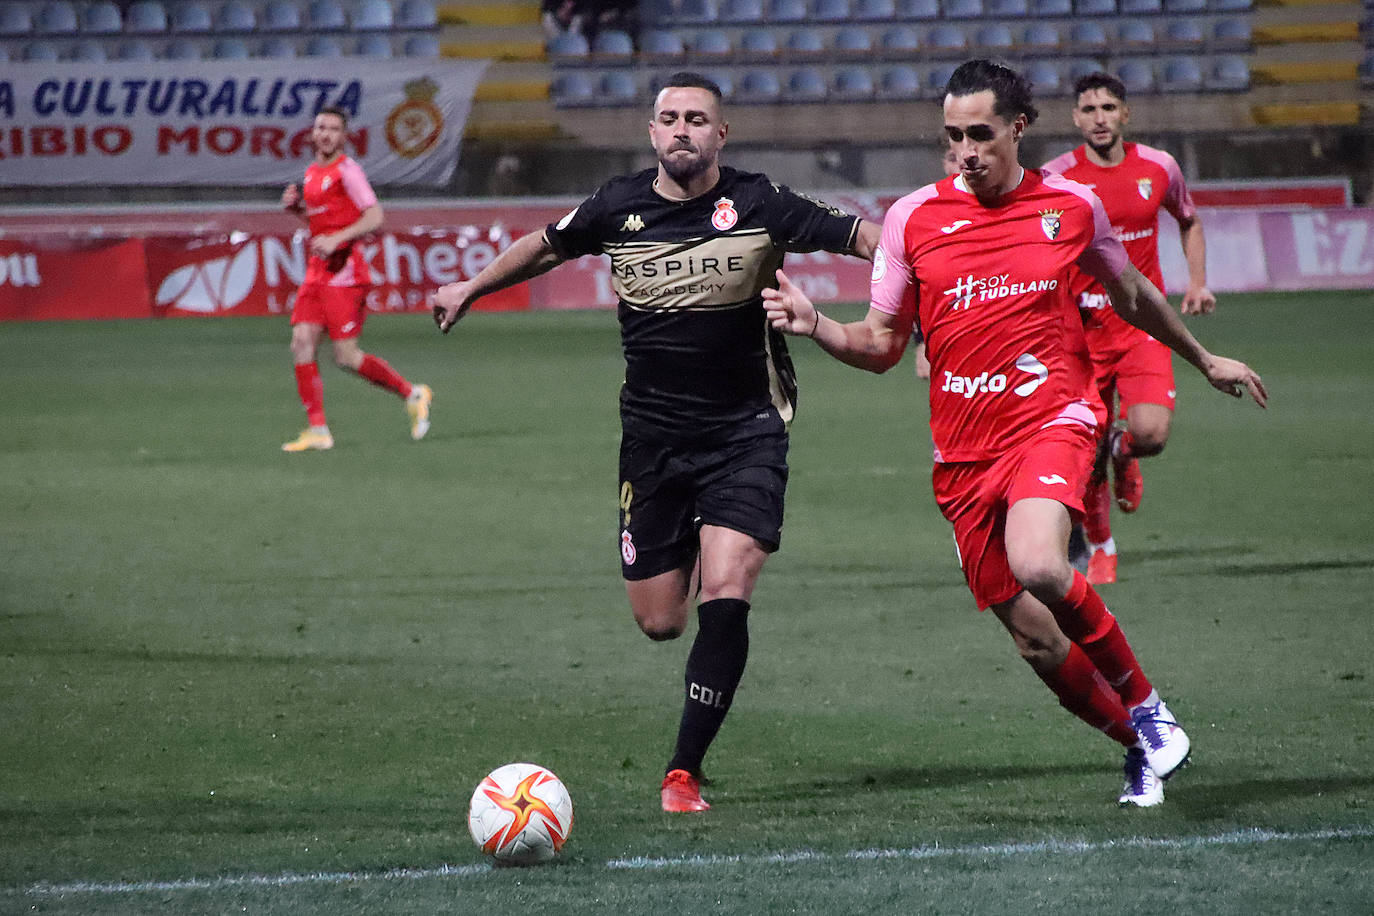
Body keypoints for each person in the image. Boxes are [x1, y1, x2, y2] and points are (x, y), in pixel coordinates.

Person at [762, 59, 1266, 807]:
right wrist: (820, 328)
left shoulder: (1070, 208)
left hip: (1053, 418)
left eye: (980, 133)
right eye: (953, 136)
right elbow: (881, 345)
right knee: (1035, 639)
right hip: (963, 456)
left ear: (1018, 128)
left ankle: (1152, 712)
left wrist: (1202, 358)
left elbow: (1129, 292)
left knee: (1039, 562)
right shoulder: (913, 220)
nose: (966, 149)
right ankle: (1138, 745)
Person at [429, 72, 880, 813]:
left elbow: (865, 235)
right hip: (653, 443)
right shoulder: (617, 205)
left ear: (720, 134)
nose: (682, 131)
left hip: (746, 432)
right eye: (669, 118)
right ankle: (704, 550)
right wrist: (466, 288)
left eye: (697, 119)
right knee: (660, 620)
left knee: (728, 589)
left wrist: (915, 286)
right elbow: (545, 247)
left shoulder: (761, 203)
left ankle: (683, 773)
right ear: (651, 131)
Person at [1041, 73, 1215, 584]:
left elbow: (1189, 219)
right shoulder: (1056, 178)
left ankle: (1125, 449)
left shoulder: (1159, 168)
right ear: (1076, 118)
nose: (1099, 117)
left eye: (1108, 107)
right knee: (1084, 446)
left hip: (1141, 322)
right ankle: (1103, 549)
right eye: (1089, 109)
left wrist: (1198, 283)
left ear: (1125, 114)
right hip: (1081, 328)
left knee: (1151, 434)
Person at [280, 106, 432, 452]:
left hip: (346, 275)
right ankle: (318, 429)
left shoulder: (348, 171)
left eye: (334, 129)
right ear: (313, 133)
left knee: (345, 357)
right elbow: (324, 225)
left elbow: (375, 216)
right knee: (301, 342)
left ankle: (413, 393)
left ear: (344, 136)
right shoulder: (311, 173)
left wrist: (336, 240)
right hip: (318, 274)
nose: (326, 134)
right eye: (321, 127)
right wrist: (298, 213)